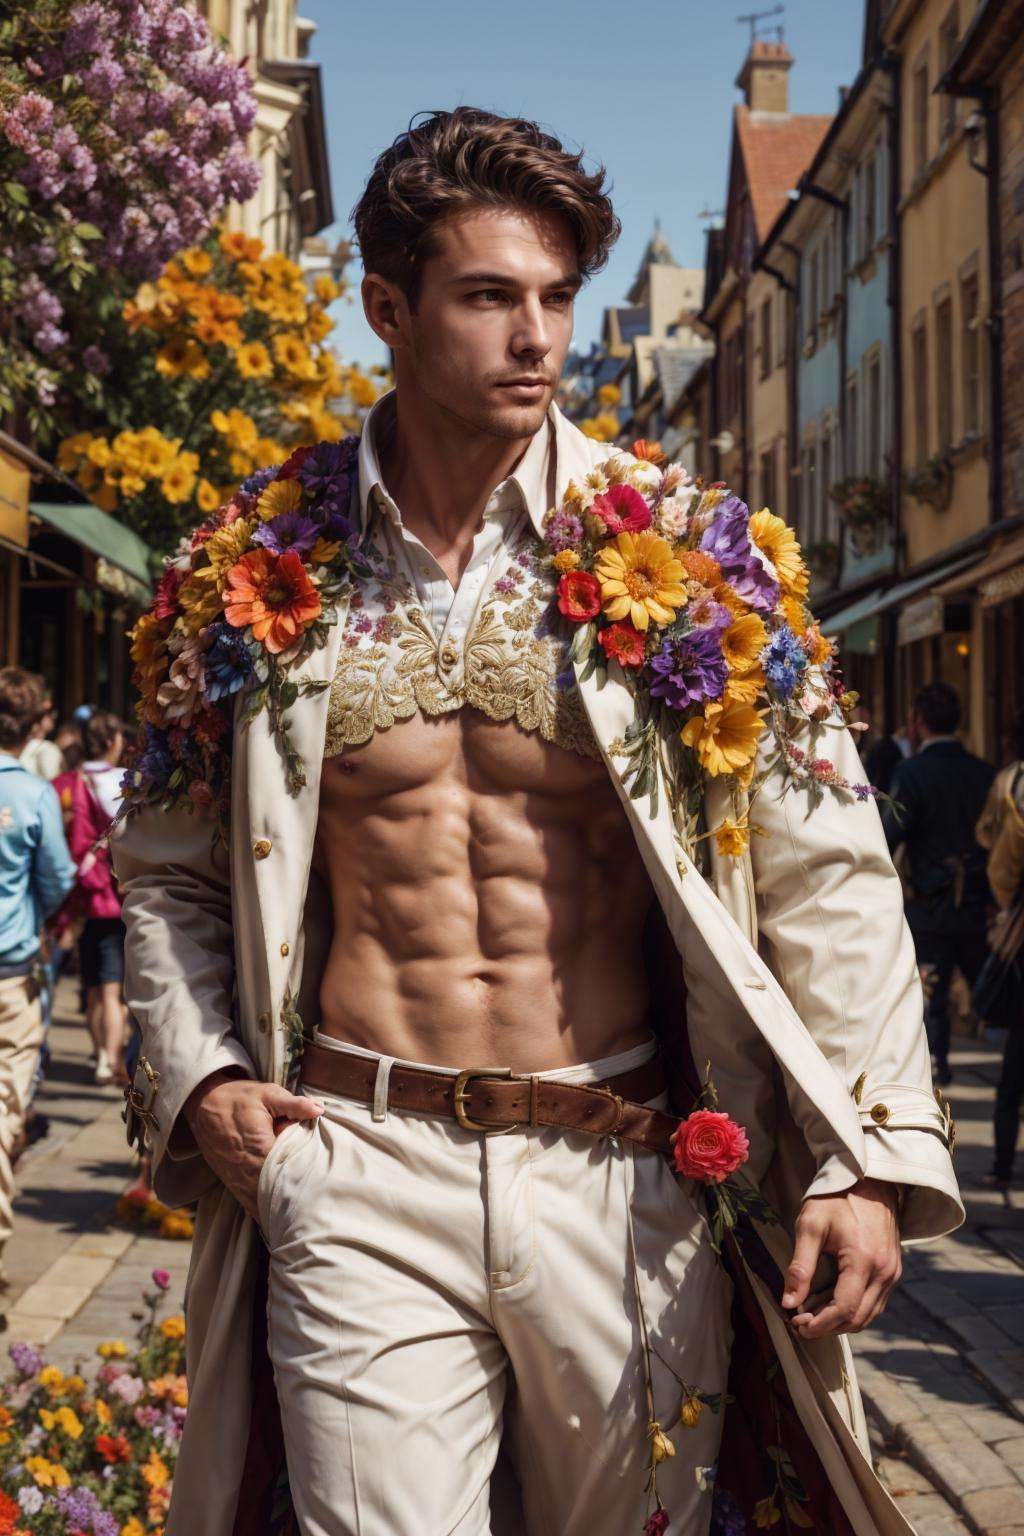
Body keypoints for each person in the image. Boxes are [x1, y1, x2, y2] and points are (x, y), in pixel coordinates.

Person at [112, 108, 960, 1536]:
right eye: (491, 296)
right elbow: (171, 870)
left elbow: (832, 872)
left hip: (622, 1164)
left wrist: (870, 1160)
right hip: (361, 1159)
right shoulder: (255, 566)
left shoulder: (687, 554)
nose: (539, 337)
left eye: (557, 298)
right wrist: (199, 1080)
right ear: (387, 308)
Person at [0, 668, 75, 1304]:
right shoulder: (33, 795)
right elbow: (57, 876)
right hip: (10, 976)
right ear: (36, 724)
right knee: (2, 1116)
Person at [883, 682, 995, 1086]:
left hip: (930, 903)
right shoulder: (983, 772)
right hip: (977, 901)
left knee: (932, 989)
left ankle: (937, 1064)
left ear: (917, 723)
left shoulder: (911, 773)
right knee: (986, 980)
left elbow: (889, 834)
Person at [66, 712, 127, 1086]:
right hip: (113, 896)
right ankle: (110, 1057)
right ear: (109, 742)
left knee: (90, 988)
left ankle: (99, 1051)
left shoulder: (66, 782)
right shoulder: (120, 782)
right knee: (111, 990)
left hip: (80, 897)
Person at [977, 708, 1024, 1188]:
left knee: (1014, 1064)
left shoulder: (1013, 785)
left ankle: (1003, 1163)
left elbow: (1002, 865)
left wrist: (1009, 908)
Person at [19, 695, 63, 782]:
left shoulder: (17, 746)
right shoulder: (49, 748)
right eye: (48, 713)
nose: (54, 716)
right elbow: (53, 779)